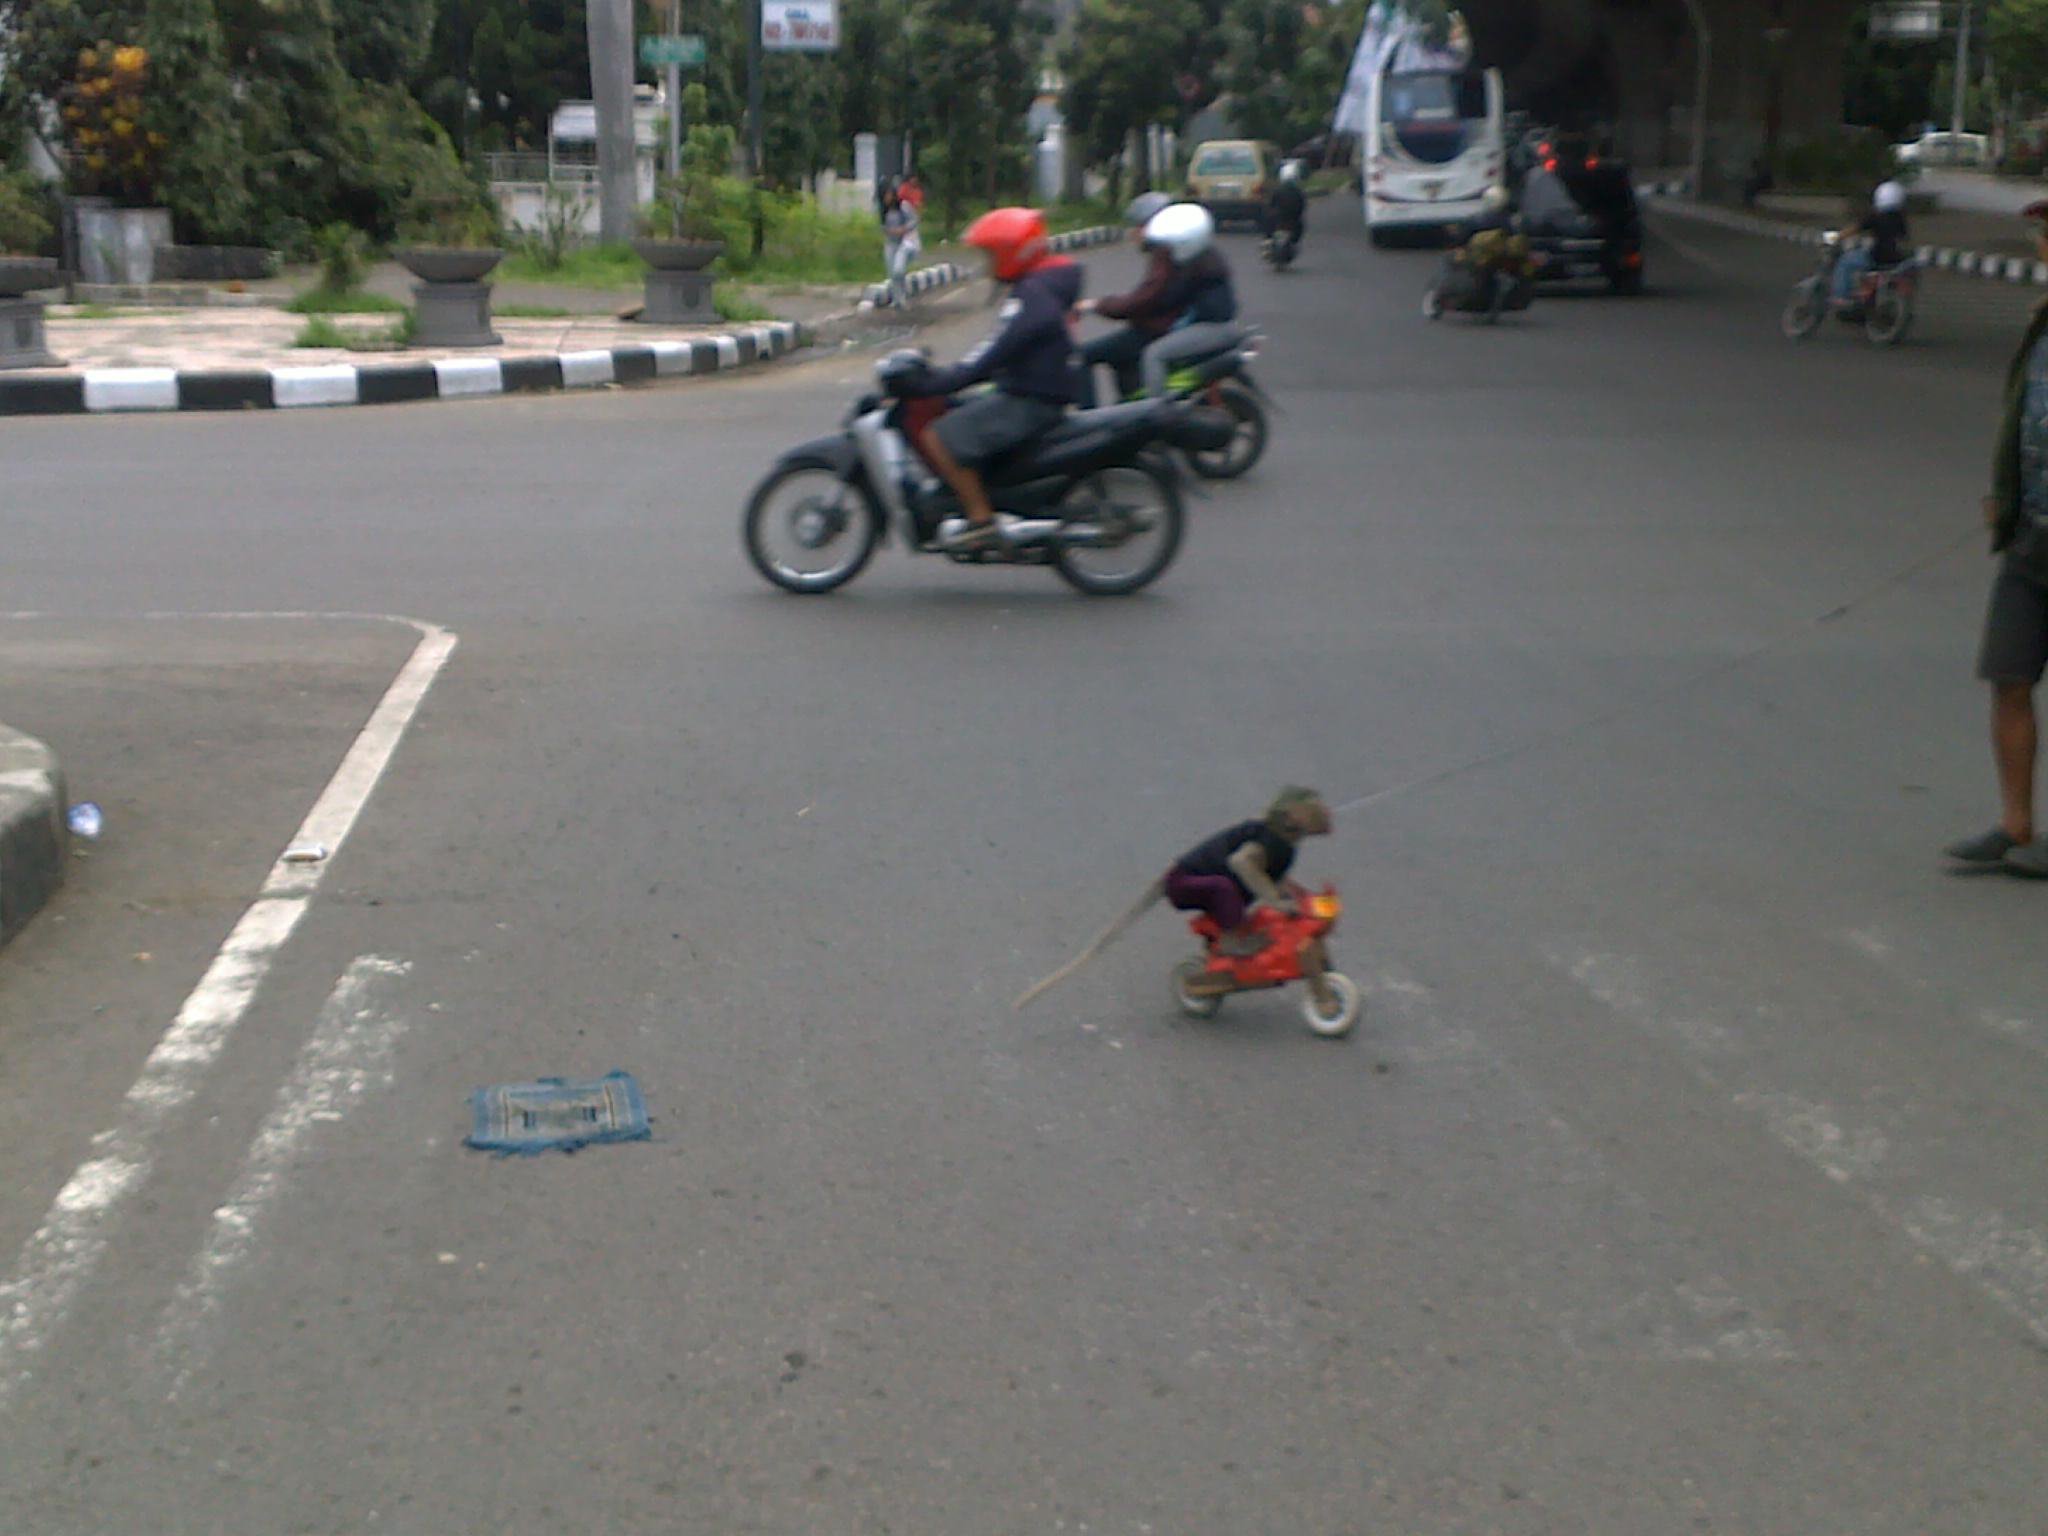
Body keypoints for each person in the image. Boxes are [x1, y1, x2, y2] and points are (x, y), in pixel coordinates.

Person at [1948, 202, 2048, 876]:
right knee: (2008, 676)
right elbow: (2025, 417)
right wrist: (2004, 495)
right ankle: (2016, 827)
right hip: (2033, 538)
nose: (2043, 245)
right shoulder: (2042, 323)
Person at [906, 206, 1083, 551]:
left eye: (991, 254)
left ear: (1012, 253)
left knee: (940, 435)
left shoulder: (1033, 296)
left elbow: (989, 356)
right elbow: (995, 351)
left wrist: (935, 383)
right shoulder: (1041, 285)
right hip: (1033, 387)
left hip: (1031, 397)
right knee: (957, 410)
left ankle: (980, 520)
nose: (987, 263)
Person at [1163, 788, 1334, 954]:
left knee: (1253, 911)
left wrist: (1302, 898)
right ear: (1290, 817)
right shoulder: (1270, 837)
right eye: (1312, 812)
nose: (1323, 815)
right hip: (1183, 882)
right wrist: (1276, 901)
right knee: (1224, 888)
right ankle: (1230, 943)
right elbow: (1240, 861)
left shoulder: (1284, 843)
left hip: (1205, 884)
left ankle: (1223, 947)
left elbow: (1274, 876)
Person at [1072, 191, 1176, 406]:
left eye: (1137, 226)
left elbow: (1143, 299)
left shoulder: (1166, 257)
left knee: (1079, 356)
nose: (1133, 233)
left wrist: (1097, 305)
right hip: (1160, 326)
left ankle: (1089, 423)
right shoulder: (1171, 253)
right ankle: (1129, 408)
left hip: (1156, 330)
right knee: (1119, 355)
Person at [1137, 203, 1240, 398]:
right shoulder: (1204, 259)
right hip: (1212, 323)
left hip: (1214, 328)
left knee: (1154, 354)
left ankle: (1156, 411)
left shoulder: (1199, 268)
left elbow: (1170, 297)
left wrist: (1140, 307)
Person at [1832, 179, 1909, 309]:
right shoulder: (1900, 218)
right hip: (1896, 261)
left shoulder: (1875, 216)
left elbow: (1854, 229)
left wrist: (1836, 236)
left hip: (1876, 258)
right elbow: (1903, 239)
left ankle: (1842, 296)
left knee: (1845, 261)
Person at [882, 182, 921, 309]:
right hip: (890, 242)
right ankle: (896, 298)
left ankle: (902, 296)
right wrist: (887, 230)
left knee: (899, 270)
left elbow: (914, 220)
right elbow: (882, 225)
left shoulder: (903, 206)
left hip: (903, 243)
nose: (887, 198)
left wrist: (904, 229)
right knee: (892, 273)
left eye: (889, 195)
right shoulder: (883, 209)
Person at [1264, 159, 1308, 259]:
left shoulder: (1277, 190)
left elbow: (1271, 204)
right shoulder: (1299, 192)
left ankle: (1268, 243)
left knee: (1268, 225)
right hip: (1291, 220)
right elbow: (1302, 207)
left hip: (1279, 219)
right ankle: (1271, 243)